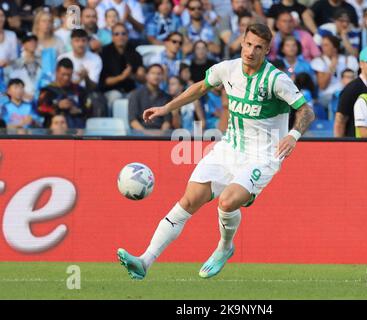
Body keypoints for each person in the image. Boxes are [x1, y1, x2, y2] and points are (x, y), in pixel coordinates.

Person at [116, 23, 315, 280]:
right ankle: (145, 261)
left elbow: (306, 110)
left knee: (227, 201)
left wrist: (293, 135)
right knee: (189, 200)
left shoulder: (276, 80)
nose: (251, 51)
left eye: (258, 47)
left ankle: (224, 247)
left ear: (266, 50)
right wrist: (166, 108)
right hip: (229, 148)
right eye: (248, 44)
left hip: (263, 155)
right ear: (242, 42)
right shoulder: (228, 69)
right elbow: (199, 88)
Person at [334, 45, 367, 137]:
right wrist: (339, 147)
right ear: (361, 64)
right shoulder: (352, 89)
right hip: (355, 143)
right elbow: (340, 121)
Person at [99, 22, 145, 113]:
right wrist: (122, 77)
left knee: (138, 96)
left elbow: (142, 77)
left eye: (123, 33)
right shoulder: (104, 53)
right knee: (115, 96)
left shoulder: (134, 53)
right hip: (110, 90)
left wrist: (131, 75)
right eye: (116, 34)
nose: (120, 36)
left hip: (130, 90)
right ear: (112, 37)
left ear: (127, 36)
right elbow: (104, 81)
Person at [37, 58, 91, 128]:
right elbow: (40, 109)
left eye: (69, 75)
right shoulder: (48, 90)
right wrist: (58, 106)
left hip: (76, 132)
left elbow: (89, 108)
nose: (66, 78)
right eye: (63, 74)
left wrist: (77, 110)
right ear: (56, 72)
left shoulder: (79, 90)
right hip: (54, 133)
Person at [311, 34, 358, 108]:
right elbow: (322, 86)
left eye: (326, 45)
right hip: (327, 96)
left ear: (335, 47)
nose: (323, 48)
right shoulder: (318, 61)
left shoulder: (349, 60)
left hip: (346, 94)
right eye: (322, 45)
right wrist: (332, 66)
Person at [127, 64, 172, 131]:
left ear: (162, 77)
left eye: (159, 74)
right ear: (146, 75)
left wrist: (161, 135)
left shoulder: (167, 96)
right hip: (141, 135)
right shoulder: (135, 94)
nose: (156, 76)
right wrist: (146, 134)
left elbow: (167, 121)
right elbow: (133, 121)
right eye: (153, 73)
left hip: (161, 135)